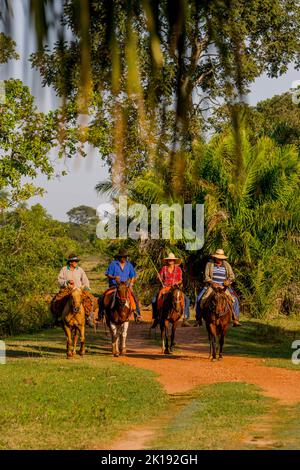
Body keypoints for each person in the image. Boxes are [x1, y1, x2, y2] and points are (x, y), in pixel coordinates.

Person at [195, 249, 241, 327]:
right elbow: (206, 276)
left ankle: (235, 319)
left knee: (235, 300)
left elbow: (232, 276)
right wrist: (213, 283)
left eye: (221, 258)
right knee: (199, 299)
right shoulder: (209, 264)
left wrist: (228, 281)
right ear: (215, 257)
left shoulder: (226, 264)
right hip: (212, 286)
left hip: (224, 287)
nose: (220, 260)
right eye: (218, 258)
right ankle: (199, 319)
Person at [52, 254, 95, 327]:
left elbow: (85, 280)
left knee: (90, 300)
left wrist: (86, 287)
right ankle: (58, 317)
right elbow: (59, 279)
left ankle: (88, 317)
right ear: (70, 262)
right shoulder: (64, 269)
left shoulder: (80, 270)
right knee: (57, 300)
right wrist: (67, 282)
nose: (76, 263)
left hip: (78, 290)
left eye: (77, 261)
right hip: (67, 290)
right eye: (75, 261)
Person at [99, 249, 142, 321]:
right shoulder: (113, 264)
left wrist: (131, 284)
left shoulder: (129, 265)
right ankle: (101, 314)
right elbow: (107, 274)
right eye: (122, 257)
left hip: (125, 286)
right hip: (114, 286)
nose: (124, 258)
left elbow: (133, 276)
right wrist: (114, 277)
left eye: (125, 257)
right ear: (119, 257)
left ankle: (137, 314)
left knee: (134, 297)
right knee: (103, 297)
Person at [151, 253, 192, 328]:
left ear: (174, 261)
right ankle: (156, 317)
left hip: (175, 288)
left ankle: (185, 318)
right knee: (154, 300)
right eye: (169, 259)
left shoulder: (178, 269)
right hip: (165, 288)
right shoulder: (164, 268)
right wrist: (158, 278)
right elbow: (159, 279)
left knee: (187, 300)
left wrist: (176, 283)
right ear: (167, 261)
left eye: (172, 259)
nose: (170, 261)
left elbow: (180, 280)